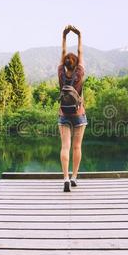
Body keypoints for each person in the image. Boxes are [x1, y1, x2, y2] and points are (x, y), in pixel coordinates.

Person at [58, 25, 87, 192]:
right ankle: (75, 177)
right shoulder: (80, 72)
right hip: (79, 114)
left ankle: (66, 178)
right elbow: (80, 52)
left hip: (63, 113)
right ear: (76, 64)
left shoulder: (60, 71)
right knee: (77, 147)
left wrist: (64, 36)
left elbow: (63, 55)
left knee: (65, 147)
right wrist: (79, 35)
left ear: (65, 63)